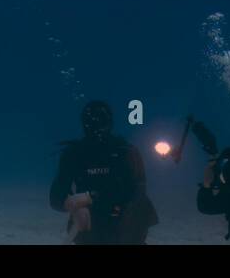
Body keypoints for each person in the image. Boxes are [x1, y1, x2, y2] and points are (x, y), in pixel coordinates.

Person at [50, 100, 159, 245]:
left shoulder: (126, 152)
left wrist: (93, 199)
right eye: (91, 123)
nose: (96, 129)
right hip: (90, 226)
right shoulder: (74, 154)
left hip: (124, 224)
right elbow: (56, 196)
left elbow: (139, 194)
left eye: (100, 122)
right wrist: (72, 206)